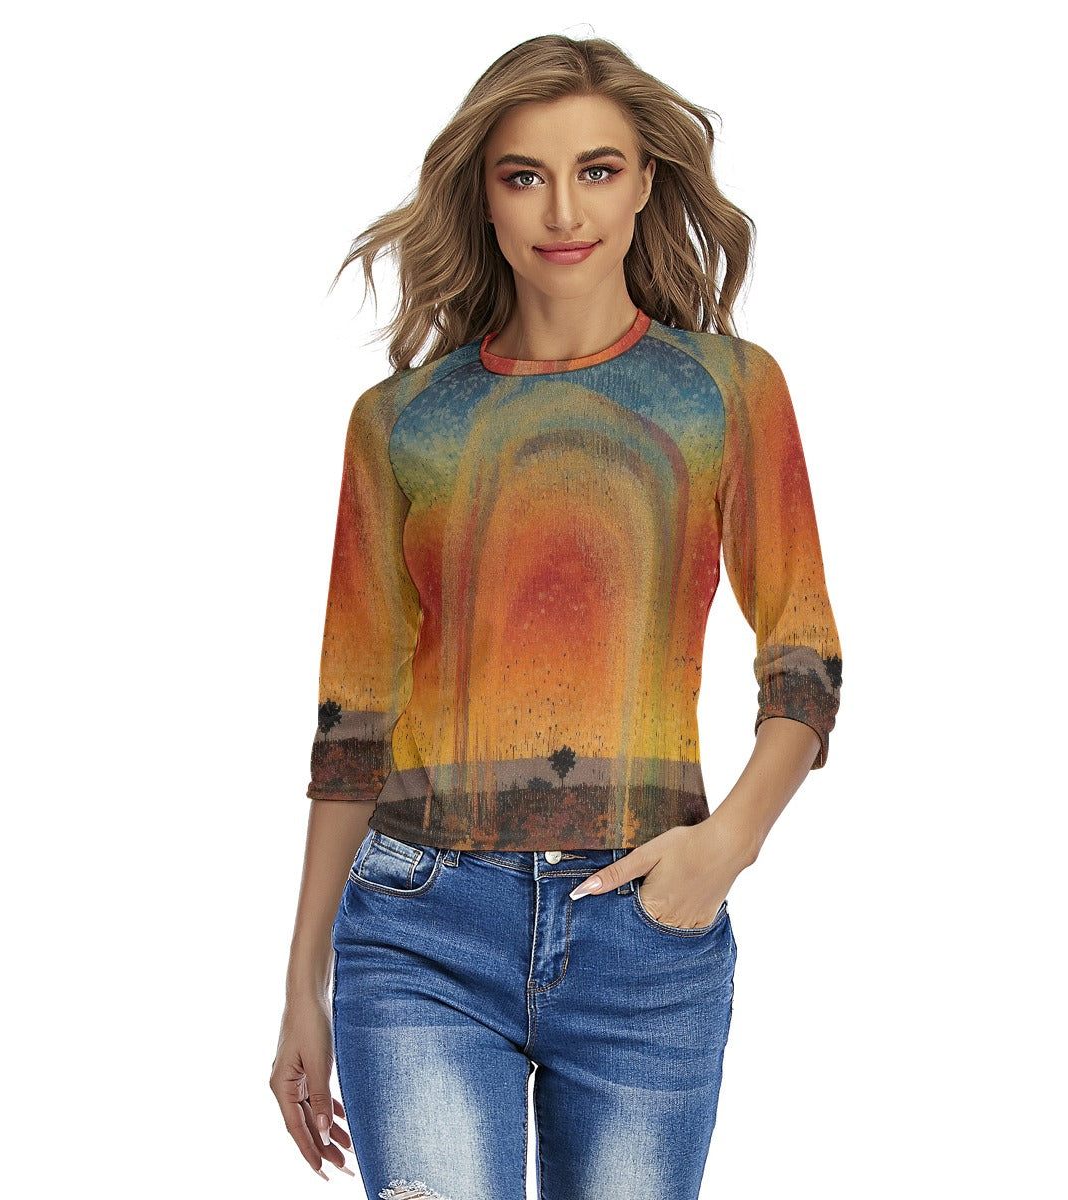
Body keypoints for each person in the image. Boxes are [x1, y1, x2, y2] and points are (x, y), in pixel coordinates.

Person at [270, 33, 843, 1200]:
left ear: (644, 184)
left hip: (646, 937)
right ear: (483, 196)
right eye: (524, 175)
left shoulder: (729, 391)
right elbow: (352, 721)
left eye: (598, 169)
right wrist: (301, 985)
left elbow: (804, 661)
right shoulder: (401, 422)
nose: (563, 210)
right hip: (420, 929)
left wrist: (724, 850)